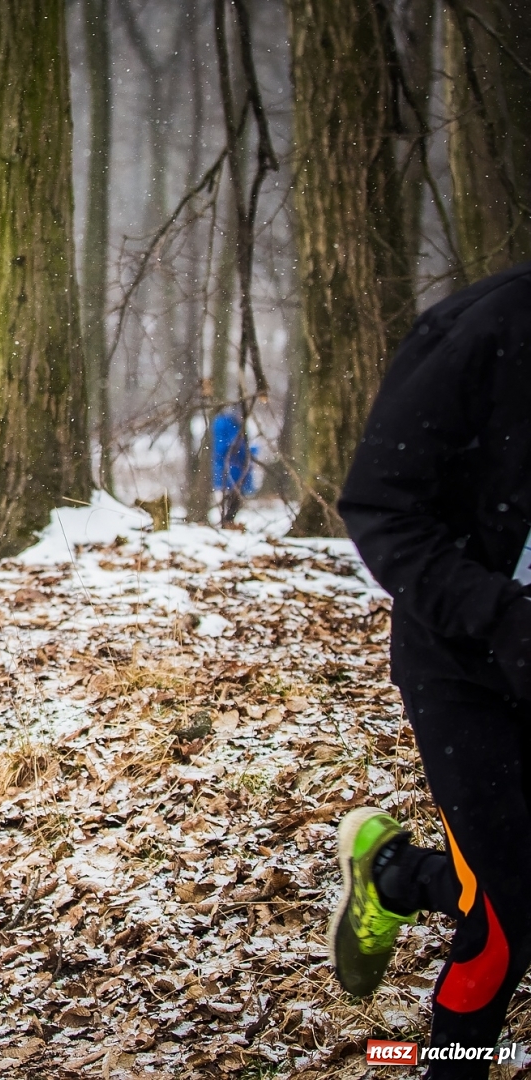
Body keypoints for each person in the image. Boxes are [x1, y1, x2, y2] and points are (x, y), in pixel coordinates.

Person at [336, 260, 531, 1079]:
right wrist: (501, 615)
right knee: (512, 912)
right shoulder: (480, 334)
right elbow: (380, 509)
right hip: (465, 664)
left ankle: (397, 874)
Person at [210, 407, 261, 526]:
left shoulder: (239, 426)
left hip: (239, 469)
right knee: (231, 496)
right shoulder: (223, 424)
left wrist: (251, 450)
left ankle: (228, 521)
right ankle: (227, 521)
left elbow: (245, 448)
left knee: (236, 497)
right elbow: (222, 447)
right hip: (228, 468)